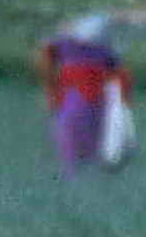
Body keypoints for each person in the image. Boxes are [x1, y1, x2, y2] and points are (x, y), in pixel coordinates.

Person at [36, 14, 131, 175]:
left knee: (75, 142)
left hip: (83, 102)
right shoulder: (100, 52)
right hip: (85, 102)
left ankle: (76, 172)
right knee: (83, 142)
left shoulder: (67, 48)